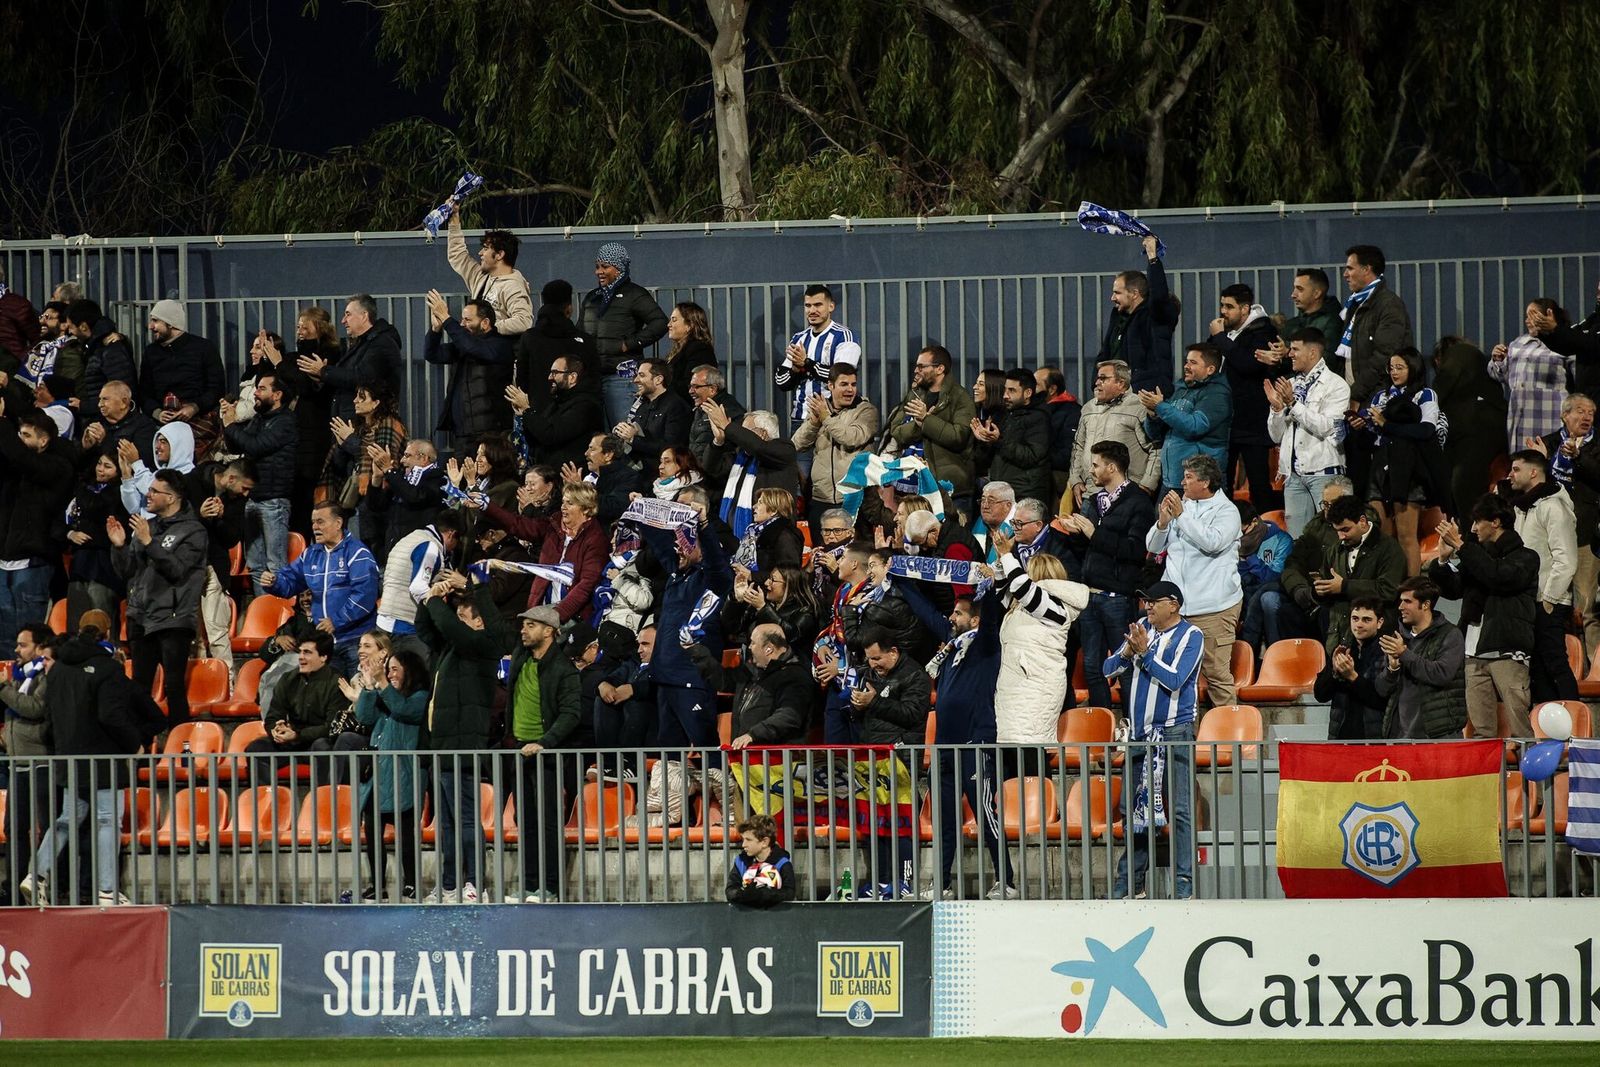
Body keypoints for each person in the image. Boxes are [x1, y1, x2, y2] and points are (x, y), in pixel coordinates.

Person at [26, 625, 154, 906]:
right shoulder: (106, 669)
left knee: (66, 819)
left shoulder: (57, 670)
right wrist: (135, 744)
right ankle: (107, 890)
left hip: (69, 757)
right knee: (108, 820)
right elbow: (111, 715)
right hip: (103, 759)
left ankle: (36, 873)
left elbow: (50, 716)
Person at [1105, 580, 1202, 901]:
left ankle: (1184, 883)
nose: (1147, 606)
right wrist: (1128, 652)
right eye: (1145, 601)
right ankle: (1131, 882)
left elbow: (1175, 680)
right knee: (1132, 808)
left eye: (1154, 601)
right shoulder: (1141, 628)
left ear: (1173, 604)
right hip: (1139, 733)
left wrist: (1145, 653)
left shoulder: (1192, 636)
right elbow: (1108, 669)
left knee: (1180, 810)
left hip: (1174, 731)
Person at [418, 576, 509, 905]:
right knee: (446, 825)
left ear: (478, 621)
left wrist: (439, 602)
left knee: (467, 821)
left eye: (462, 618)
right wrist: (431, 599)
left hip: (464, 746)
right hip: (442, 747)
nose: (454, 625)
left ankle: (475, 884)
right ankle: (449, 884)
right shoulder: (451, 650)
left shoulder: (481, 646)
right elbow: (427, 630)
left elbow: (450, 628)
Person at [1427, 494, 1540, 739]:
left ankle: (1532, 778)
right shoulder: (1477, 557)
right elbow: (1454, 589)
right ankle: (1486, 778)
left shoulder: (1526, 557)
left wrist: (1462, 546)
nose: (1474, 528)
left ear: (1496, 522)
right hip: (1472, 652)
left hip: (1507, 652)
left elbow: (1499, 577)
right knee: (1480, 733)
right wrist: (1443, 560)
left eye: (1478, 522)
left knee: (1520, 726)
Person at [1060, 440, 1157, 712]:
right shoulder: (1093, 501)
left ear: (1111, 468)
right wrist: (1076, 534)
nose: (1090, 470)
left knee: (1123, 665)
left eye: (1095, 465)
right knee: (1092, 666)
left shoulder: (1138, 503)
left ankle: (1130, 725)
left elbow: (1136, 551)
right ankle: (1102, 727)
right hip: (1089, 595)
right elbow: (1089, 548)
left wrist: (1094, 533)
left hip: (1117, 596)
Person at [108, 468, 208, 724]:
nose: (148, 495)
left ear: (172, 498)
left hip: (173, 618)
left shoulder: (194, 531)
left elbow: (177, 570)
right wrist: (119, 546)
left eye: (154, 491)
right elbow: (126, 572)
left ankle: (180, 745)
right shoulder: (147, 526)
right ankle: (145, 743)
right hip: (140, 616)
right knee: (139, 689)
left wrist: (149, 542)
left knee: (173, 687)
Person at [1145, 454, 1242, 708]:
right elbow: (1153, 548)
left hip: (1214, 608)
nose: (1182, 482)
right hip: (1176, 609)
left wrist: (1181, 516)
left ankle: (1229, 743)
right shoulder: (1181, 508)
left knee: (1217, 677)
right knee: (1175, 676)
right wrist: (1163, 524)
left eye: (1189, 477)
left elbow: (1212, 542)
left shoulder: (1227, 511)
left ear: (1206, 482)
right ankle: (1185, 740)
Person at [501, 604, 583, 903]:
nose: (523, 630)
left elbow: (571, 714)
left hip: (546, 754)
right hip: (519, 751)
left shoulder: (564, 669)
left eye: (531, 625)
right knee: (526, 820)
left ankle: (549, 887)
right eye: (523, 625)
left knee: (547, 822)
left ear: (549, 631)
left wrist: (545, 743)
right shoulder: (522, 656)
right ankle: (530, 886)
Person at [849, 627, 931, 899]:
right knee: (875, 823)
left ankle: (905, 881)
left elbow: (911, 713)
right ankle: (881, 881)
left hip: (902, 758)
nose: (872, 666)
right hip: (872, 758)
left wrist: (873, 703)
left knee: (902, 823)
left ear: (893, 652)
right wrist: (858, 705)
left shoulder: (916, 675)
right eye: (869, 660)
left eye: (877, 659)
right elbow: (864, 712)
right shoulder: (869, 674)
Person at [258, 501, 381, 679]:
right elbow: (291, 581)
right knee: (331, 698)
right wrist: (274, 582)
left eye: (320, 522)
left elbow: (365, 597)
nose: (315, 527)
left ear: (338, 523)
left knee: (358, 695)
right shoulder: (311, 554)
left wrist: (336, 621)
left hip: (355, 641)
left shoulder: (357, 553)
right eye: (313, 522)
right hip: (325, 643)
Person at [991, 529, 1088, 744]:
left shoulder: (1055, 608)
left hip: (1035, 690)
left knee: (1030, 759)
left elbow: (1021, 587)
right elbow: (1002, 594)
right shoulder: (1023, 607)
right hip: (1016, 689)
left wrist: (1008, 556)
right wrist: (1000, 561)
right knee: (1012, 764)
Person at [1359, 347, 1449, 575]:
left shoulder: (1425, 394)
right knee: (1383, 535)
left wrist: (1387, 425)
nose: (1394, 372)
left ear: (1413, 368)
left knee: (1407, 536)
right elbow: (1375, 432)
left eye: (1400, 367)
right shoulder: (1381, 396)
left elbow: (1426, 430)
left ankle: (1413, 589)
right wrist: (1363, 424)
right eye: (1391, 368)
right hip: (1380, 465)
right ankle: (1389, 586)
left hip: (1408, 467)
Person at [1501, 448, 1579, 704]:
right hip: (1528, 601)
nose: (1510, 475)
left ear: (1533, 472)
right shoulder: (1523, 506)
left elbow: (1566, 558)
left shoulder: (1554, 506)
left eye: (1516, 469)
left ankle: (1573, 727)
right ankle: (1546, 733)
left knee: (1554, 664)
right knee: (1537, 671)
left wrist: (1549, 599)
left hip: (1548, 602)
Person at [350, 648, 429, 902]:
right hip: (378, 775)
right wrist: (372, 687)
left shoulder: (419, 697)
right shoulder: (386, 696)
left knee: (406, 834)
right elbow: (363, 716)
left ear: (410, 671)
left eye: (395, 669)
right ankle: (377, 885)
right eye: (389, 669)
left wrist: (383, 684)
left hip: (404, 774)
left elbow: (405, 710)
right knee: (373, 833)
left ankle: (412, 884)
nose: (390, 674)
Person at [1337, 245, 1414, 498]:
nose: (1345, 274)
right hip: (1357, 399)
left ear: (1367, 269)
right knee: (1357, 471)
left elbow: (1384, 356)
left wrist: (1356, 394)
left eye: (1350, 268)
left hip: (1375, 400)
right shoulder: (1357, 305)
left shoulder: (1388, 305)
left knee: (1373, 480)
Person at [0, 404, 77, 648]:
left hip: (34, 563)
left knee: (28, 638)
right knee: (4, 640)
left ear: (43, 441)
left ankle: (30, 684)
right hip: (4, 561)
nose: (19, 440)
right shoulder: (15, 471)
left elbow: (22, 458)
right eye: (19, 434)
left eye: (26, 435)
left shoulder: (57, 467)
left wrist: (1, 420)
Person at [1266, 328, 1352, 537]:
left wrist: (1292, 403)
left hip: (1324, 473)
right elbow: (1276, 436)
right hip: (1293, 476)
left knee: (1334, 536)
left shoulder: (1336, 386)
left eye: (1295, 349)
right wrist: (1278, 409)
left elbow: (1327, 426)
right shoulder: (1291, 385)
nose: (1290, 354)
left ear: (1313, 353)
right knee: (1299, 542)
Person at [479, 482, 607, 621]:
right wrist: (488, 506)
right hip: (539, 610)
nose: (563, 507)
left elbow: (586, 585)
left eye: (569, 503)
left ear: (586, 509)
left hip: (571, 617)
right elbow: (519, 524)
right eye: (563, 502)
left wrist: (556, 615)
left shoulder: (595, 539)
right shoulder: (554, 525)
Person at [1534, 394, 1600, 661]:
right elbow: (1534, 483)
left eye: (1591, 413)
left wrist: (1579, 456)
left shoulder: (1597, 445)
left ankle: (1596, 670)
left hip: (1585, 537)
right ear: (1564, 415)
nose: (1586, 417)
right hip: (1552, 539)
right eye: (1580, 411)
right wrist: (1541, 461)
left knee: (1587, 609)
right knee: (1553, 607)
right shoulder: (1547, 444)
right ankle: (1559, 666)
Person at [1211, 283, 1285, 509]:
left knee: (1258, 484)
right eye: (1222, 305)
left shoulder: (1263, 331)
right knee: (1222, 483)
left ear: (1245, 309)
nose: (1223, 311)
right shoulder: (1226, 332)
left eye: (1229, 306)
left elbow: (1247, 365)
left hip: (1253, 421)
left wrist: (1221, 339)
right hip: (1228, 421)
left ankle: (1266, 532)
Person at [1303, 494, 1407, 655]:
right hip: (1338, 640)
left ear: (1363, 521)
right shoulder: (1334, 550)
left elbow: (1388, 590)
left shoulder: (1390, 549)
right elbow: (1326, 588)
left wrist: (1344, 586)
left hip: (1377, 643)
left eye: (1345, 529)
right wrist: (1319, 592)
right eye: (1337, 531)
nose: (1341, 537)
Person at [581, 242, 669, 430]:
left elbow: (660, 322)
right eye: (597, 266)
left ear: (619, 268)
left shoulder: (634, 294)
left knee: (624, 435)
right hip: (593, 378)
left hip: (622, 378)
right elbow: (581, 331)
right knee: (602, 440)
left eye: (605, 266)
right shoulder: (592, 297)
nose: (599, 272)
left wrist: (629, 344)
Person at [882, 345, 977, 515]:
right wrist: (920, 423)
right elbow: (897, 431)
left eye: (921, 366)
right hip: (913, 490)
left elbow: (958, 437)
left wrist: (927, 420)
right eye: (916, 365)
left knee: (951, 539)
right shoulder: (915, 394)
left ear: (940, 369)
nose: (916, 370)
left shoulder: (960, 397)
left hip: (950, 488)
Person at [221, 370, 297, 580]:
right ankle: (260, 609)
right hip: (253, 498)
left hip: (274, 502)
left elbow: (255, 446)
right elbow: (236, 445)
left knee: (275, 565)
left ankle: (278, 610)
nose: (255, 393)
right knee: (255, 565)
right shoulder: (260, 419)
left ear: (277, 395)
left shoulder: (285, 421)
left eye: (262, 388)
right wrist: (229, 422)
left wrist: (232, 427)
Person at [244, 631, 346, 780]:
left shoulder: (336, 682)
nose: (301, 657)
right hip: (291, 741)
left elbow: (331, 727)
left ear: (323, 657)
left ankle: (324, 799)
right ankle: (266, 800)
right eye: (300, 652)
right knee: (256, 749)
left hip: (317, 741)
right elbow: (273, 715)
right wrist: (276, 730)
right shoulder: (288, 679)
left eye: (307, 653)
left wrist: (298, 735)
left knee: (323, 747)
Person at [692, 622, 812, 748]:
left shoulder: (794, 676)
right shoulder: (751, 671)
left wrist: (753, 735)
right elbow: (723, 680)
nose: (749, 647)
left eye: (753, 643)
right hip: (747, 757)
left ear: (768, 649)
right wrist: (695, 650)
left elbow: (788, 716)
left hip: (777, 761)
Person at [1430, 336, 1510, 522]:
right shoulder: (1485, 380)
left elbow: (1440, 388)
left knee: (1463, 489)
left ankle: (1470, 541)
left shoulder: (1459, 356)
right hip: (1494, 441)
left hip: (1468, 444)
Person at [318, 379, 407, 546]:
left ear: (376, 403)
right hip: (352, 501)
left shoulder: (390, 424)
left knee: (369, 553)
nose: (355, 401)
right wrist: (341, 445)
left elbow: (379, 458)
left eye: (361, 397)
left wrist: (350, 440)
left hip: (376, 501)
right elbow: (339, 466)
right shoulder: (359, 429)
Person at [423, 291, 515, 449]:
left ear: (485, 323)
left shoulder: (499, 345)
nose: (462, 324)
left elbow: (473, 347)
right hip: (462, 434)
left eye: (467, 320)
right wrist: (436, 329)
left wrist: (446, 318)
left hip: (491, 434)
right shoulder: (463, 347)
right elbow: (432, 354)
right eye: (461, 319)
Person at [1378, 577, 1467, 740]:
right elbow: (1382, 689)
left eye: (1407, 601)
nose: (1400, 607)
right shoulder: (1397, 638)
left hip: (1438, 737)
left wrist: (1404, 654)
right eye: (1400, 601)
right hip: (1401, 737)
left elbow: (1441, 674)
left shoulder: (1451, 635)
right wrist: (1392, 669)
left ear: (1425, 605)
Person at [792, 364, 880, 529]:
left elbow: (851, 437)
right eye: (844, 384)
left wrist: (826, 418)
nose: (850, 389)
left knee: (853, 553)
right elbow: (797, 443)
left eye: (853, 384)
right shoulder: (821, 410)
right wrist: (814, 422)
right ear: (830, 385)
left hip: (854, 498)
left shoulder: (866, 411)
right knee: (821, 552)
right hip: (820, 498)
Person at [1, 624, 53, 899]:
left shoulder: (46, 675)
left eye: (22, 645)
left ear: (40, 647)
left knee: (46, 828)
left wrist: (3, 688)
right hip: (18, 763)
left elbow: (35, 708)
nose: (16, 650)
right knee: (14, 829)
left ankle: (45, 884)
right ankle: (14, 887)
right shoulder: (20, 676)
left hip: (41, 762)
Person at [1141, 343, 1232, 501]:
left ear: (1210, 369)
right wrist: (1153, 415)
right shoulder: (1180, 389)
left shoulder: (1217, 394)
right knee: (1164, 525)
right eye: (1186, 361)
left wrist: (1160, 407)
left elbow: (1195, 426)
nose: (1186, 366)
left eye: (1193, 363)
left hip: (1201, 482)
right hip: (1172, 480)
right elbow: (1155, 435)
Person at [299, 294, 404, 426]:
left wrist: (324, 371)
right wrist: (320, 376)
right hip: (354, 422)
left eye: (348, 314)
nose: (343, 320)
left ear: (364, 316)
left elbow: (362, 377)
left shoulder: (381, 344)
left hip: (368, 424)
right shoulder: (363, 343)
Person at [1067, 360, 1159, 510]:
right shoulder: (1088, 408)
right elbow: (1078, 446)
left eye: (1103, 378)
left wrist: (1147, 485)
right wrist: (1075, 479)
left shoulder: (1139, 407)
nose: (1097, 383)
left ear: (1121, 384)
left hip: (1125, 496)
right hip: (1089, 494)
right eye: (1097, 378)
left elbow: (1155, 448)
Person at [774, 284, 859, 444]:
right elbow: (782, 382)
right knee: (799, 468)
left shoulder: (844, 336)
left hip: (832, 417)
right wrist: (795, 368)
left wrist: (806, 364)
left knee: (828, 469)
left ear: (831, 306)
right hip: (800, 418)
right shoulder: (799, 338)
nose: (812, 310)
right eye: (808, 306)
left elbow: (841, 377)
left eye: (818, 305)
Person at [137, 299, 225, 448]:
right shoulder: (150, 352)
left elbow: (216, 388)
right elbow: (144, 392)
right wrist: (157, 413)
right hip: (161, 428)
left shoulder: (204, 348)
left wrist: (194, 407)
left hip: (200, 426)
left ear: (170, 323)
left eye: (155, 321)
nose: (150, 326)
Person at [1098, 235, 1178, 395]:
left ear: (1134, 293)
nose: (1112, 298)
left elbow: (1159, 297)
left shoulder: (1155, 317)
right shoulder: (1118, 319)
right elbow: (1105, 355)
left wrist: (1153, 259)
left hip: (1146, 395)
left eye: (1117, 293)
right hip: (1116, 394)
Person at [378, 513, 462, 662]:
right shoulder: (430, 547)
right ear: (452, 534)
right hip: (405, 628)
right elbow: (417, 587)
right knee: (415, 681)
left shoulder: (410, 538)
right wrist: (438, 606)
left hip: (384, 622)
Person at [1489, 298, 1570, 450]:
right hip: (1520, 417)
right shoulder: (1519, 343)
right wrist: (1497, 360)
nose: (1527, 321)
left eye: (1532, 315)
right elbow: (1504, 377)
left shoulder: (1565, 341)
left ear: (1549, 314)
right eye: (1526, 317)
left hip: (1551, 416)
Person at [63, 448, 130, 630]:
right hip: (80, 564)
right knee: (76, 621)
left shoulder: (121, 492)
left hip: (105, 565)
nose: (100, 469)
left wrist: (83, 491)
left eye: (108, 466)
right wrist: (70, 534)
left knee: (101, 620)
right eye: (99, 464)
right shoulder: (85, 488)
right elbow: (61, 520)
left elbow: (94, 505)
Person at [710, 409, 800, 535]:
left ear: (764, 432)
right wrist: (718, 442)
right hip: (731, 537)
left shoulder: (784, 450)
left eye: (745, 432)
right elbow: (711, 471)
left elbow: (759, 447)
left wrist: (727, 426)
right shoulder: (740, 456)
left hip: (771, 537)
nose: (740, 437)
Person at [971, 368, 1052, 504]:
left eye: (1012, 391)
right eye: (1005, 390)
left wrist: (999, 441)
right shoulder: (1005, 415)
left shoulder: (1039, 418)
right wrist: (985, 441)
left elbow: (1031, 456)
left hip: (1026, 495)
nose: (1005, 396)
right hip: (1002, 493)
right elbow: (986, 460)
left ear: (1028, 393)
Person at [1314, 598, 1390, 740]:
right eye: (1355, 618)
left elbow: (1381, 701)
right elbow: (1320, 695)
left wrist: (1352, 676)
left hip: (1375, 740)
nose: (1359, 624)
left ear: (1379, 622)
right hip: (1341, 738)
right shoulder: (1343, 649)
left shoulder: (1387, 653)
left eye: (1366, 620)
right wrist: (1334, 672)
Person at [446, 214, 532, 335]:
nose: (480, 253)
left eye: (485, 248)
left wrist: (487, 327)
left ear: (499, 255)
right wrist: (454, 220)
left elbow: (523, 321)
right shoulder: (481, 276)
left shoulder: (514, 287)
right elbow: (457, 255)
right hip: (477, 346)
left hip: (495, 350)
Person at [365, 438, 446, 555]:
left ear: (423, 458)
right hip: (394, 548)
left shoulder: (438, 478)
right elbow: (376, 506)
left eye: (407, 455)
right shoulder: (401, 479)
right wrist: (376, 478)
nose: (402, 460)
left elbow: (416, 496)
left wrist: (389, 470)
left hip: (419, 550)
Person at [63, 300, 138, 411]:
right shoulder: (91, 346)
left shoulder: (110, 349)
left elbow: (120, 394)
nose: (68, 331)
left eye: (71, 327)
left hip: (109, 421)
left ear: (83, 326)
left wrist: (84, 406)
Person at [615, 356, 691, 461]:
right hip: (638, 467)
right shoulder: (641, 405)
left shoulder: (676, 406)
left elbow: (671, 448)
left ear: (658, 379)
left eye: (641, 375)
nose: (636, 380)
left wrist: (633, 439)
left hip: (663, 468)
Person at [1267, 268, 1344, 373]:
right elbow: (1288, 368)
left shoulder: (1334, 322)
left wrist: (1289, 351)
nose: (1293, 295)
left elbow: (1327, 362)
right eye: (1294, 288)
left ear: (1316, 294)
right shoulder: (1291, 325)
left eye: (1300, 289)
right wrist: (1276, 360)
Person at [686, 365, 747, 497]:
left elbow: (734, 447)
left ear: (713, 389)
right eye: (690, 386)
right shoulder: (702, 407)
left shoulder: (728, 410)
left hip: (718, 485)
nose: (691, 391)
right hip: (701, 479)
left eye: (696, 386)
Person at [79, 380, 157, 467]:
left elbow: (143, 463)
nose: (99, 404)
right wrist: (86, 448)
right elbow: (82, 464)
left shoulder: (144, 426)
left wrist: (105, 440)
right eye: (100, 399)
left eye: (105, 399)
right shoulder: (95, 422)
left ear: (124, 403)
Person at [726, 814, 797, 907]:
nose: (743, 845)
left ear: (764, 842)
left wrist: (765, 894)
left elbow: (789, 893)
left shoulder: (782, 863)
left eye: (748, 840)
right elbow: (730, 891)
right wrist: (743, 894)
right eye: (743, 839)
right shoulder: (741, 862)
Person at [1035, 366, 1082, 506]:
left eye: (1036, 384)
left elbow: (1068, 453)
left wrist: (1038, 458)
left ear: (1052, 389)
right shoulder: (1036, 411)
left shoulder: (1072, 413)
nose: (1030, 389)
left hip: (1056, 480)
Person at [662, 301, 717, 405]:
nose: (669, 324)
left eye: (674, 320)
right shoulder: (680, 350)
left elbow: (690, 386)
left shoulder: (700, 350)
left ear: (690, 325)